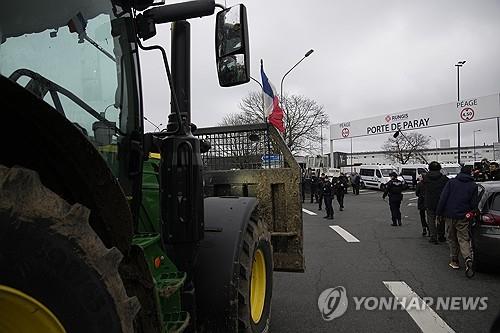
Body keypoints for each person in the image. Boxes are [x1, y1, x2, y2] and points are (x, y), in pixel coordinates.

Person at [436, 165, 478, 275]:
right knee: (463, 238)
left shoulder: (452, 182)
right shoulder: (473, 186)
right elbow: (474, 204)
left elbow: (443, 198)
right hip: (463, 215)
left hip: (449, 214)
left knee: (451, 237)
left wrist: (439, 213)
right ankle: (467, 258)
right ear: (470, 173)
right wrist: (471, 213)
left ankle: (454, 260)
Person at [421, 161, 449, 244]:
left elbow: (422, 189)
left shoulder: (426, 178)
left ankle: (433, 236)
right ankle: (441, 235)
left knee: (431, 219)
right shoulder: (444, 179)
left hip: (429, 201)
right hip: (441, 201)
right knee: (441, 219)